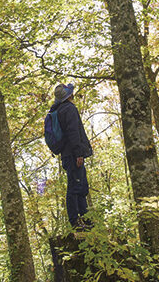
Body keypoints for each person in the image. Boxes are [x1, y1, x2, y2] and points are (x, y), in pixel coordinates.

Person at [50, 83, 93, 229]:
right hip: (73, 154)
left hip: (68, 154)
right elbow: (73, 132)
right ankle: (75, 221)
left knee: (80, 186)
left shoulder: (60, 110)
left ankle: (87, 220)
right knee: (75, 186)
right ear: (69, 95)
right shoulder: (69, 109)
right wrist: (79, 154)